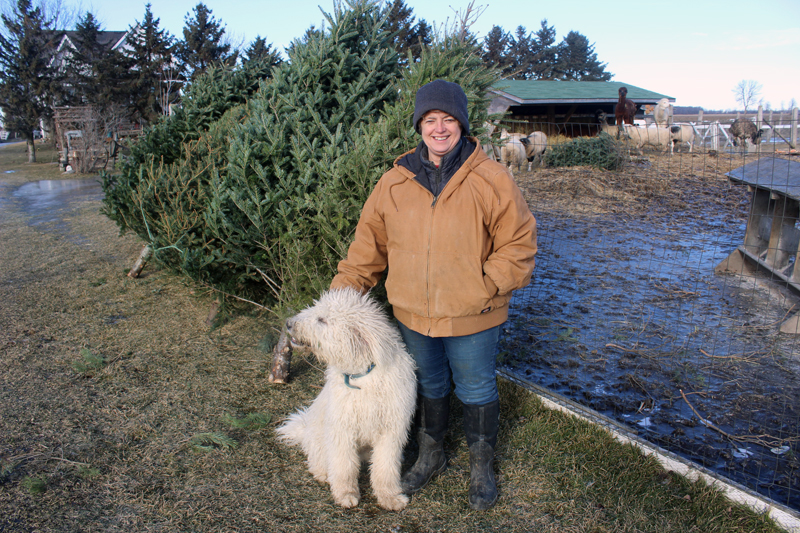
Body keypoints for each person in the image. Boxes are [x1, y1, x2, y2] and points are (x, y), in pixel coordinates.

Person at [330, 79, 537, 510]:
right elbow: (366, 248)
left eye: (447, 119)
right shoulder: (394, 182)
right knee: (430, 383)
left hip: (472, 313)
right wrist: (336, 304)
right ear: (419, 126)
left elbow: (518, 243)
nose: (439, 128)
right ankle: (432, 453)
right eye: (430, 120)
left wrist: (486, 286)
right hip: (412, 315)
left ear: (460, 124)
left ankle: (481, 466)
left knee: (476, 388)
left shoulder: (491, 178)